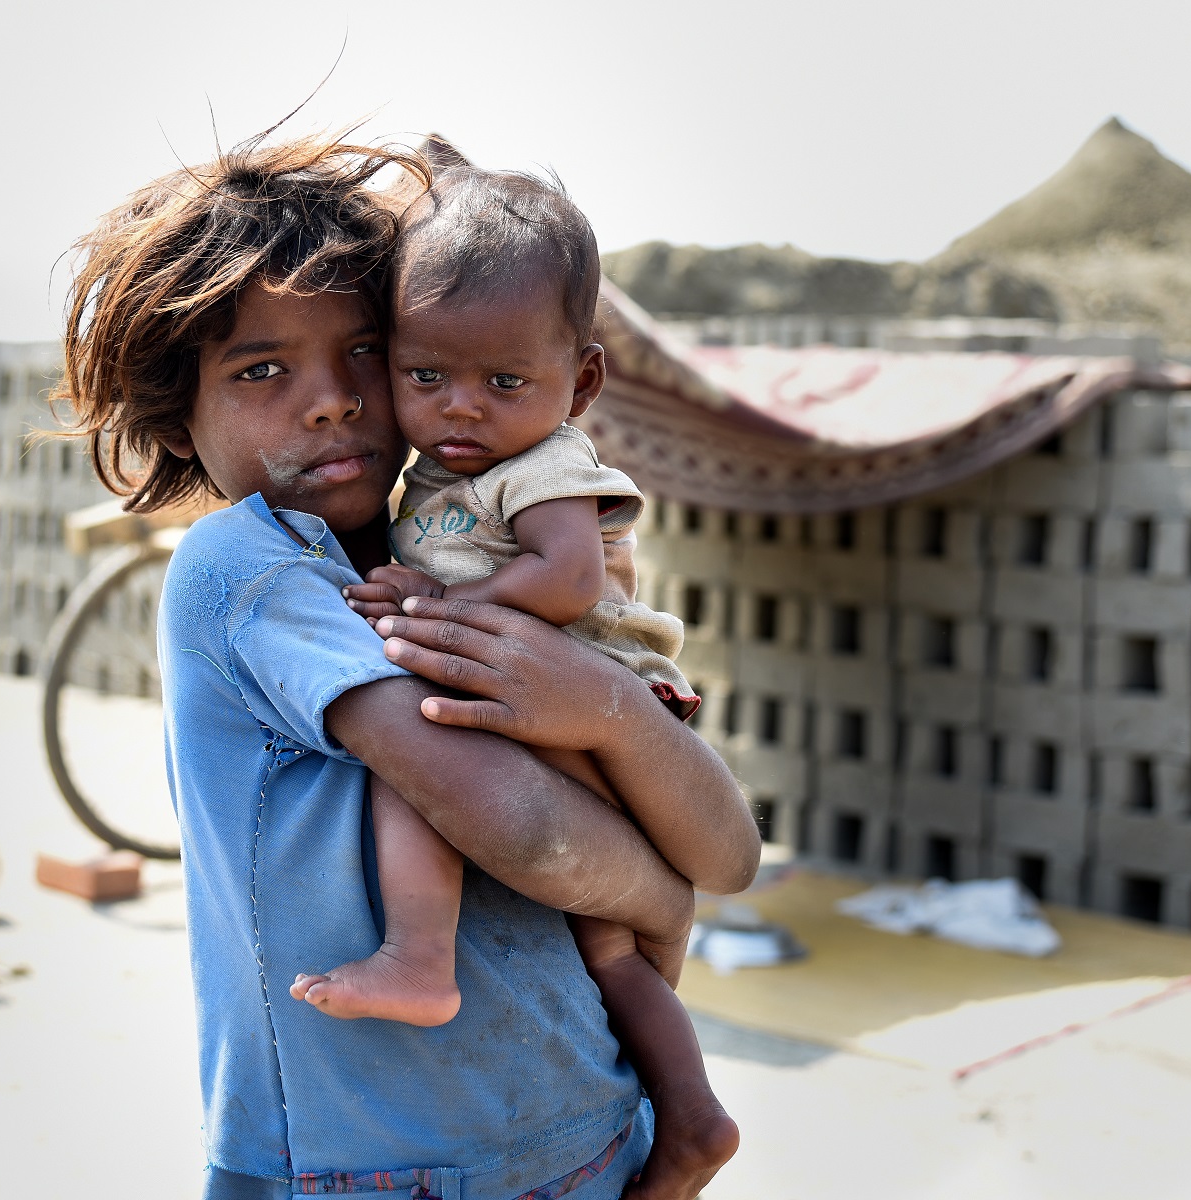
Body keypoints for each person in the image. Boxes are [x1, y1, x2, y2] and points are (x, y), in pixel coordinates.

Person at [53, 130, 760, 1200]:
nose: (332, 399)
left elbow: (733, 853)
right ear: (178, 419)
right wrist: (658, 900)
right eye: (261, 370)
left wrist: (613, 713)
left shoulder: (441, 561)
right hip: (376, 1163)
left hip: (584, 1121)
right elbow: (521, 824)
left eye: (366, 354)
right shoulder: (246, 567)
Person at [291, 162, 738, 1195]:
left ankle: (418, 954)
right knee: (610, 948)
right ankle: (693, 1113)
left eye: (504, 383)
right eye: (425, 377)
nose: (460, 409)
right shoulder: (440, 475)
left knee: (409, 765)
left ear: (577, 384)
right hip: (543, 696)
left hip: (585, 690)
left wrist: (446, 614)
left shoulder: (544, 465)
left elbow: (570, 575)